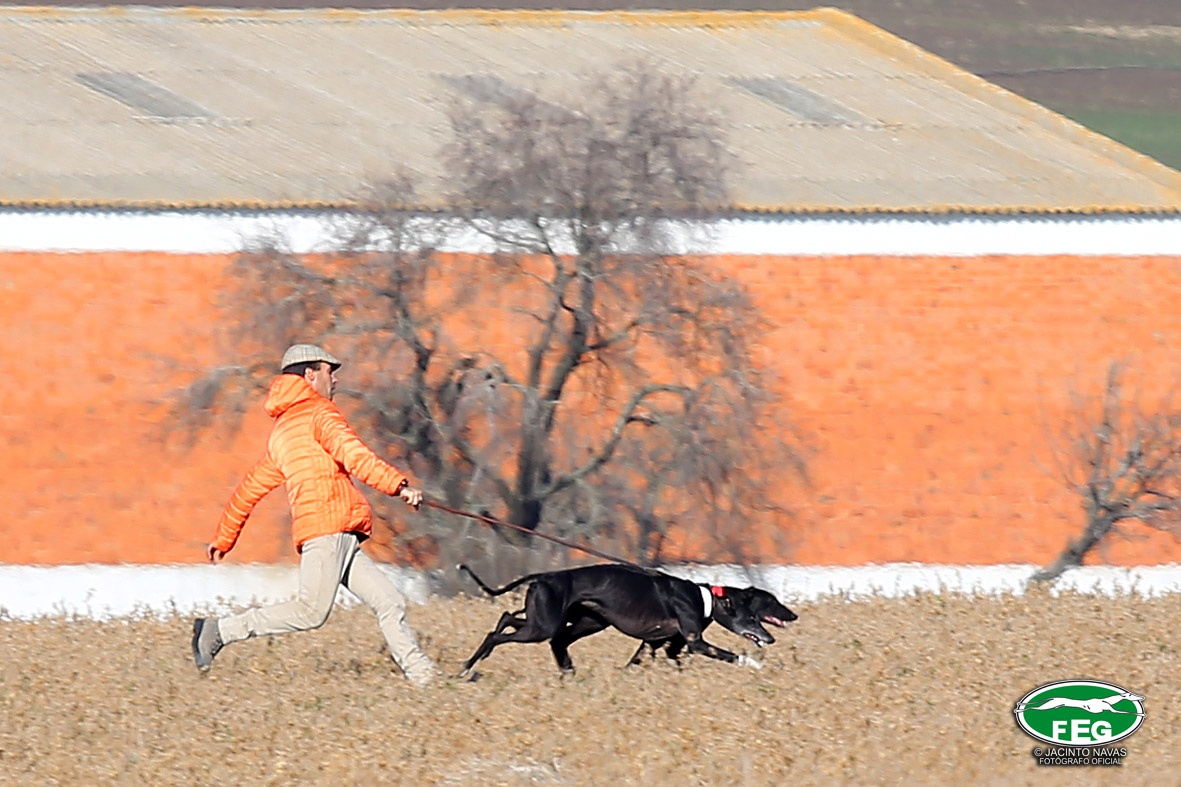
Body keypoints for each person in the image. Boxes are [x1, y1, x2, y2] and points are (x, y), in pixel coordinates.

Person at [191, 343, 439, 686]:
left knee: (389, 602)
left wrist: (224, 538)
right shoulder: (320, 413)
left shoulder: (283, 431)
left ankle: (426, 679)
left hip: (339, 533)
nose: (334, 379)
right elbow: (355, 455)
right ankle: (219, 631)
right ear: (309, 374)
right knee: (311, 611)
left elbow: (249, 488)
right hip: (328, 530)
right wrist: (399, 486)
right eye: (328, 371)